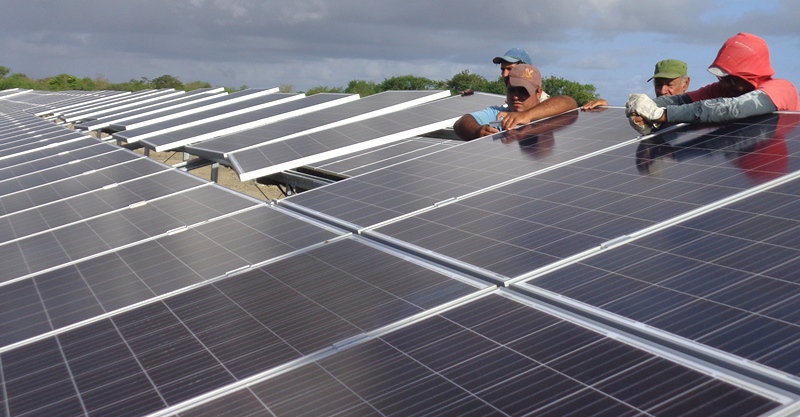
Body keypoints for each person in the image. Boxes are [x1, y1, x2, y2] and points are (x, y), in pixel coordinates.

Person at [626, 33, 800, 135]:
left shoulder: (781, 89)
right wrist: (640, 106)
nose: (724, 83)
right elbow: (682, 101)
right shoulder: (725, 88)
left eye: (730, 78)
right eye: (721, 78)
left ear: (749, 75)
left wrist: (660, 114)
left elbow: (732, 108)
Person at [454, 63, 577, 140]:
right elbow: (461, 123)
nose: (516, 96)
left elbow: (568, 102)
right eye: (512, 91)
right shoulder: (499, 114)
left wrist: (526, 116)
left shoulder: (547, 112)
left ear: (538, 93)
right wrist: (477, 131)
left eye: (523, 91)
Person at [581, 59, 690, 110]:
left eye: (670, 84)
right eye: (658, 84)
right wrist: (606, 110)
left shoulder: (698, 114)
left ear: (685, 84)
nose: (662, 91)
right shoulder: (643, 111)